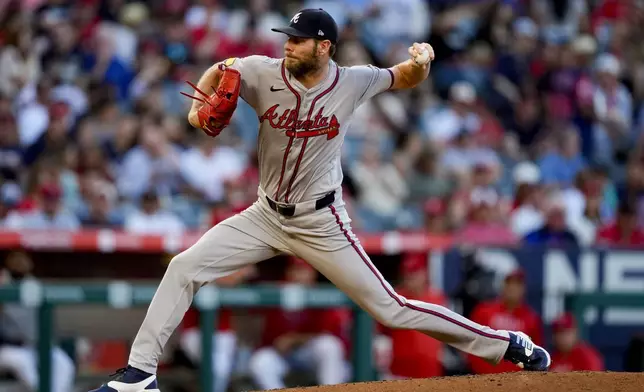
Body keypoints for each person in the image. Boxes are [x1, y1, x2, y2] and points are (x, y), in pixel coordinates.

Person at [90, 8, 550, 392]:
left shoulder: (352, 81)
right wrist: (199, 107)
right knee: (183, 267)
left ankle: (506, 344)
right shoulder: (261, 71)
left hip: (321, 220)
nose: (287, 46)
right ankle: (140, 375)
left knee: (390, 307)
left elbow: (404, 76)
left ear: (323, 47)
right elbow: (224, 68)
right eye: (287, 39)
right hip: (264, 215)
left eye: (298, 41)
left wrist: (423, 61)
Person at [248, 257, 351, 389]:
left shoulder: (321, 295)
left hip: (310, 353)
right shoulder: (278, 292)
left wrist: (295, 339)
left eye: (303, 271)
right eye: (295, 270)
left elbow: (331, 334)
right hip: (284, 355)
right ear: (288, 272)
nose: (298, 276)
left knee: (329, 346)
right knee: (260, 362)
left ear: (313, 273)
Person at [0, 251, 76, 392]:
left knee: (64, 364)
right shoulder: (3, 286)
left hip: (35, 346)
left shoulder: (33, 285)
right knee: (22, 364)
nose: (20, 264)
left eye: (23, 260)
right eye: (15, 260)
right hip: (10, 349)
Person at [467, 268, 543, 374]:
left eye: (517, 284)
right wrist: (484, 374)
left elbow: (536, 355)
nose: (512, 288)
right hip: (486, 380)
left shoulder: (531, 318)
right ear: (503, 285)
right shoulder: (484, 311)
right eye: (509, 283)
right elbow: (471, 344)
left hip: (518, 384)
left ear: (523, 288)